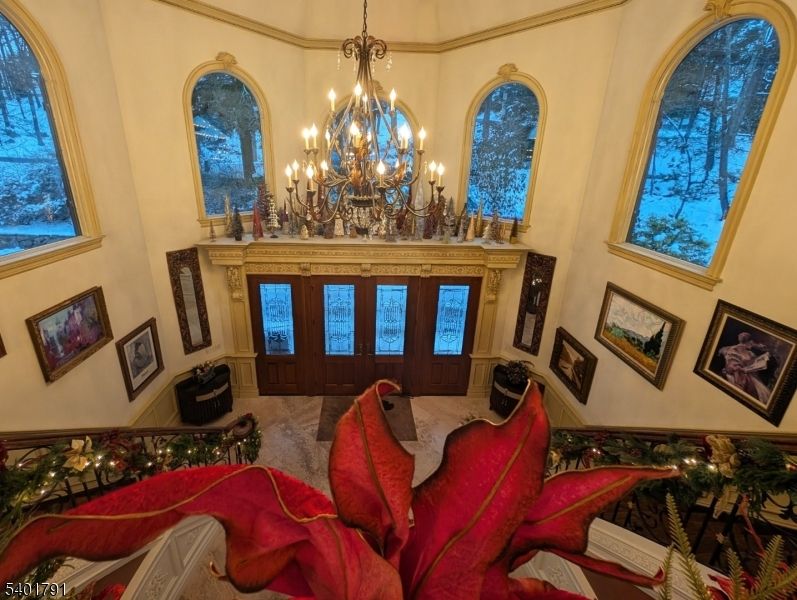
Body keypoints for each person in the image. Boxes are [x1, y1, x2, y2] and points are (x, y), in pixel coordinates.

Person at [717, 332, 773, 404]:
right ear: (749, 342)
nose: (752, 344)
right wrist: (743, 369)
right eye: (752, 342)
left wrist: (759, 361)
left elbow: (753, 362)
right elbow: (731, 367)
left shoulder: (750, 353)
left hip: (749, 375)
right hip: (738, 377)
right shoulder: (733, 350)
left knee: (764, 393)